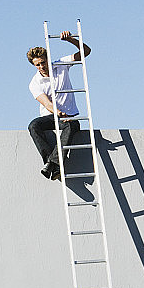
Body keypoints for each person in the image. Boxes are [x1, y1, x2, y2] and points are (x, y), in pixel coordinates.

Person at [27, 31, 91, 181]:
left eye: (43, 62)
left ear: (48, 59)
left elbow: (86, 52)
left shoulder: (61, 65)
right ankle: (52, 163)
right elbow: (46, 103)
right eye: (37, 65)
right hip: (51, 116)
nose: (41, 67)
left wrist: (71, 40)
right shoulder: (34, 83)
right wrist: (58, 112)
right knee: (33, 126)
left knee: (72, 125)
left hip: (69, 116)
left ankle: (52, 165)